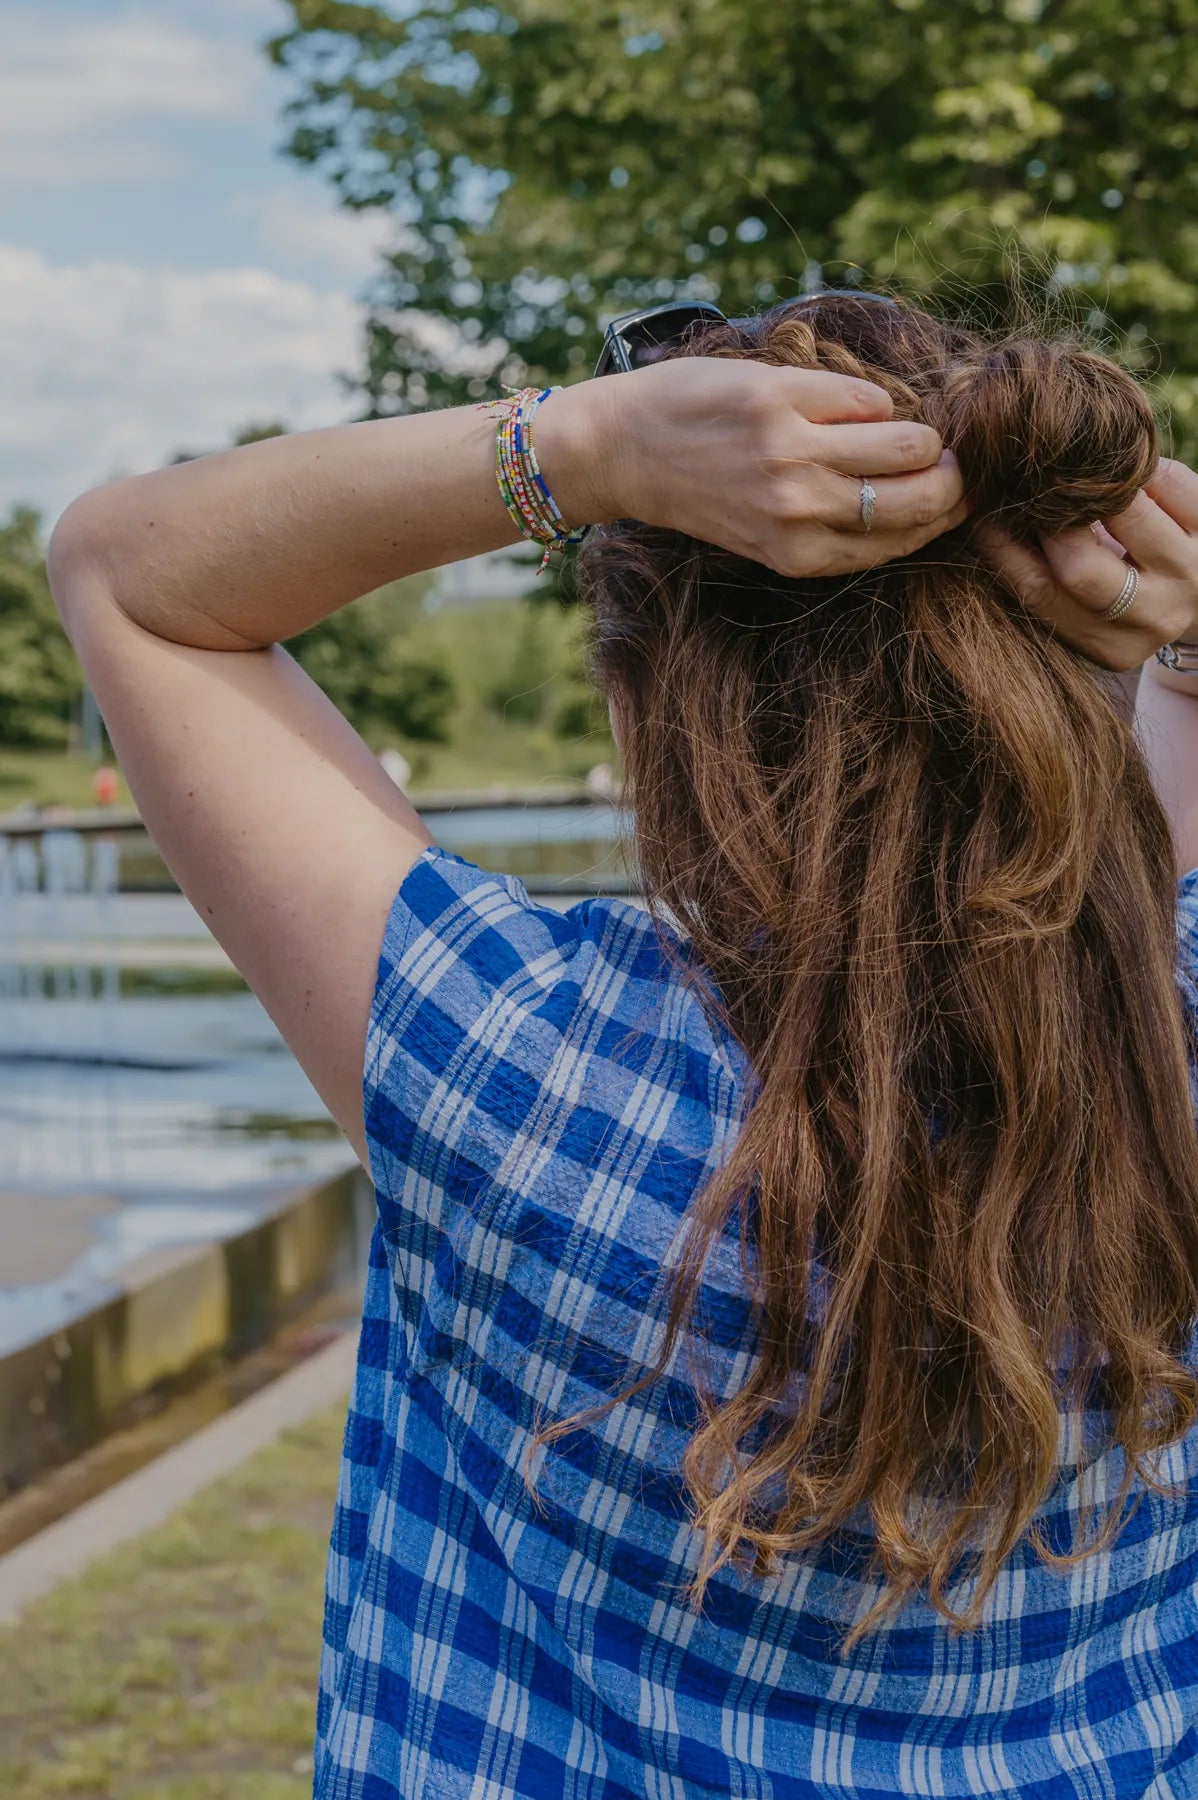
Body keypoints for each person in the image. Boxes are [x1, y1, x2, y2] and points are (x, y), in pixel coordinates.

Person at [47, 292, 1198, 1798]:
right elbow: (1121, 855)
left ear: (651, 705)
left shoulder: (508, 1057)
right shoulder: (1160, 1046)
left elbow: (125, 571)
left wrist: (566, 448)